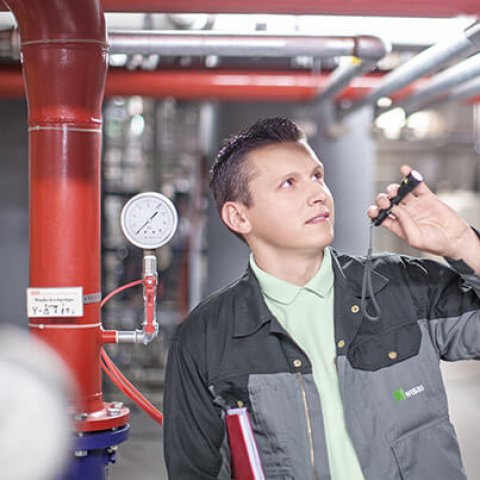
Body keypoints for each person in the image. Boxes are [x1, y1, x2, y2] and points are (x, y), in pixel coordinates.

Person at [163, 116, 480, 479]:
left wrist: (464, 243)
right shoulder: (205, 338)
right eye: (289, 183)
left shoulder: (405, 287)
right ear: (239, 217)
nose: (318, 194)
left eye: (317, 176)